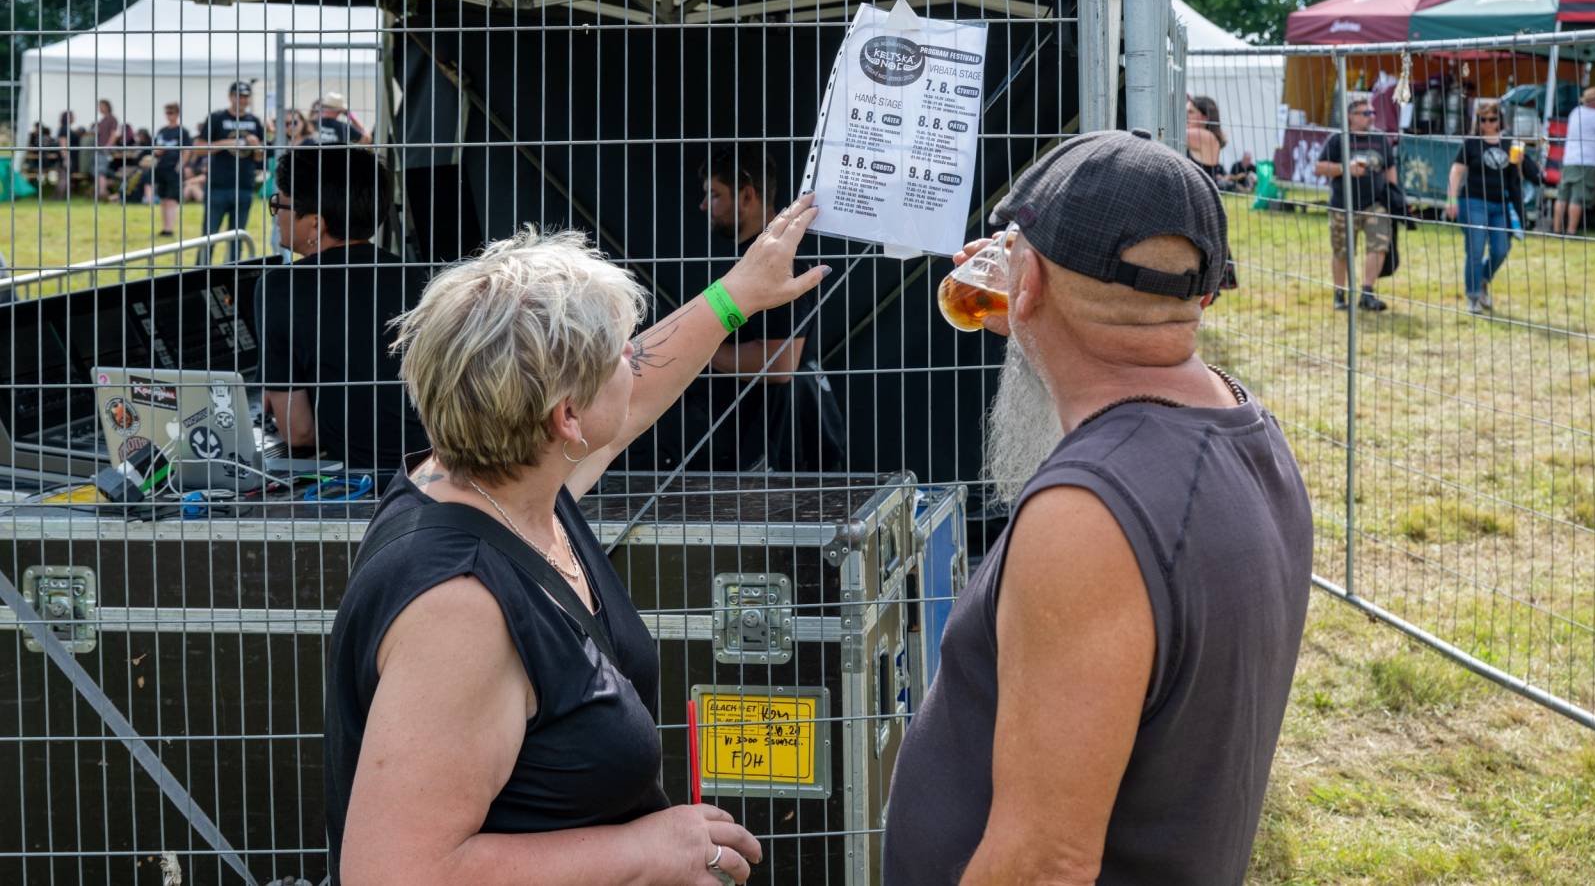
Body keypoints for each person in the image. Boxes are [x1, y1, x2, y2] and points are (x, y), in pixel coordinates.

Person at [324, 196, 829, 886]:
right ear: (566, 417)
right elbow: (392, 874)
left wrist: (736, 295)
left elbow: (635, 397)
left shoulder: (497, 475)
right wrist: (647, 853)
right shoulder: (460, 611)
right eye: (618, 352)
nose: (634, 357)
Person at [882, 130, 1313, 886]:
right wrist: (1038, 319)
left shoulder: (1088, 514)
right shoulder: (1246, 426)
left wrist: (1036, 304)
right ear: (1203, 293)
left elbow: (1046, 865)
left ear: (1031, 278)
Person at [259, 147, 429, 477]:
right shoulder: (425, 277)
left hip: (360, 482)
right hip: (439, 473)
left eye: (279, 204)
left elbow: (299, 433)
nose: (276, 215)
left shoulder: (282, 287)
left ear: (314, 224)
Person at [689, 144, 845, 471]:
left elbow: (779, 362)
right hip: (768, 441)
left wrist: (697, 346)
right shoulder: (760, 256)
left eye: (714, 195)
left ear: (747, 195)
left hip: (775, 452)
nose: (704, 206)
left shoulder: (774, 261)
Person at [1446, 101, 1540, 315]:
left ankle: (1482, 281)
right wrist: (1451, 198)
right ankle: (1472, 297)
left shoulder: (1510, 143)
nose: (1487, 124)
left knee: (1501, 249)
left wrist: (1520, 163)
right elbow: (1456, 171)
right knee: (1475, 249)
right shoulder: (1471, 143)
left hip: (1501, 205)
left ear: (1500, 120)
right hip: (1473, 201)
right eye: (1483, 120)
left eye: (1492, 119)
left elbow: (1521, 176)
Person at [1315, 98, 1397, 311]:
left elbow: (1390, 168)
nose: (1371, 116)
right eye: (1365, 113)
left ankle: (1367, 292)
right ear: (1351, 116)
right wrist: (1345, 168)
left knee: (1379, 246)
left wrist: (1393, 195)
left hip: (1374, 204)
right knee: (1342, 252)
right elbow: (1319, 167)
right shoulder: (1338, 139)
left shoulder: (1380, 139)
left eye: (1372, 113)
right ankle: (1340, 294)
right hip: (1343, 205)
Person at [194, 81, 267, 262]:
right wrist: (225, 143)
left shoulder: (254, 122)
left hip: (244, 187)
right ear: (230, 96)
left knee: (237, 240)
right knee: (208, 237)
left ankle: (232, 277)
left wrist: (257, 147)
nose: (242, 100)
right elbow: (198, 148)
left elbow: (260, 159)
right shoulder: (217, 118)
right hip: (218, 187)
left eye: (245, 97)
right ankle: (200, 276)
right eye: (238, 96)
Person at [1557, 85, 1595, 235]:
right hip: (1587, 162)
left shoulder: (1575, 112)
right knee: (1578, 198)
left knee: (1562, 196)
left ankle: (1556, 231)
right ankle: (1571, 232)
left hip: (1569, 159)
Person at [150, 103, 195, 237]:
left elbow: (187, 150)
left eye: (171, 113)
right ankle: (165, 228)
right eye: (167, 113)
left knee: (171, 199)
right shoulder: (162, 131)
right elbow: (156, 149)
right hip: (161, 168)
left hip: (173, 169)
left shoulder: (182, 131)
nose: (169, 115)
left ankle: (170, 229)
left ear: (177, 114)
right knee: (163, 199)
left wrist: (180, 165)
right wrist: (157, 152)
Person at [1184, 95, 1227, 181]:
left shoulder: (1205, 136)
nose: (1185, 115)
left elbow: (1167, 134)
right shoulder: (1207, 135)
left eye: (1191, 112)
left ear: (1205, 117)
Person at [93, 99, 122, 200]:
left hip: (104, 149)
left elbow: (114, 134)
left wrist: (107, 146)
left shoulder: (112, 119)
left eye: (101, 106)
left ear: (107, 107)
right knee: (98, 171)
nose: (100, 108)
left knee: (101, 171)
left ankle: (102, 193)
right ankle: (101, 192)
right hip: (99, 148)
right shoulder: (103, 119)